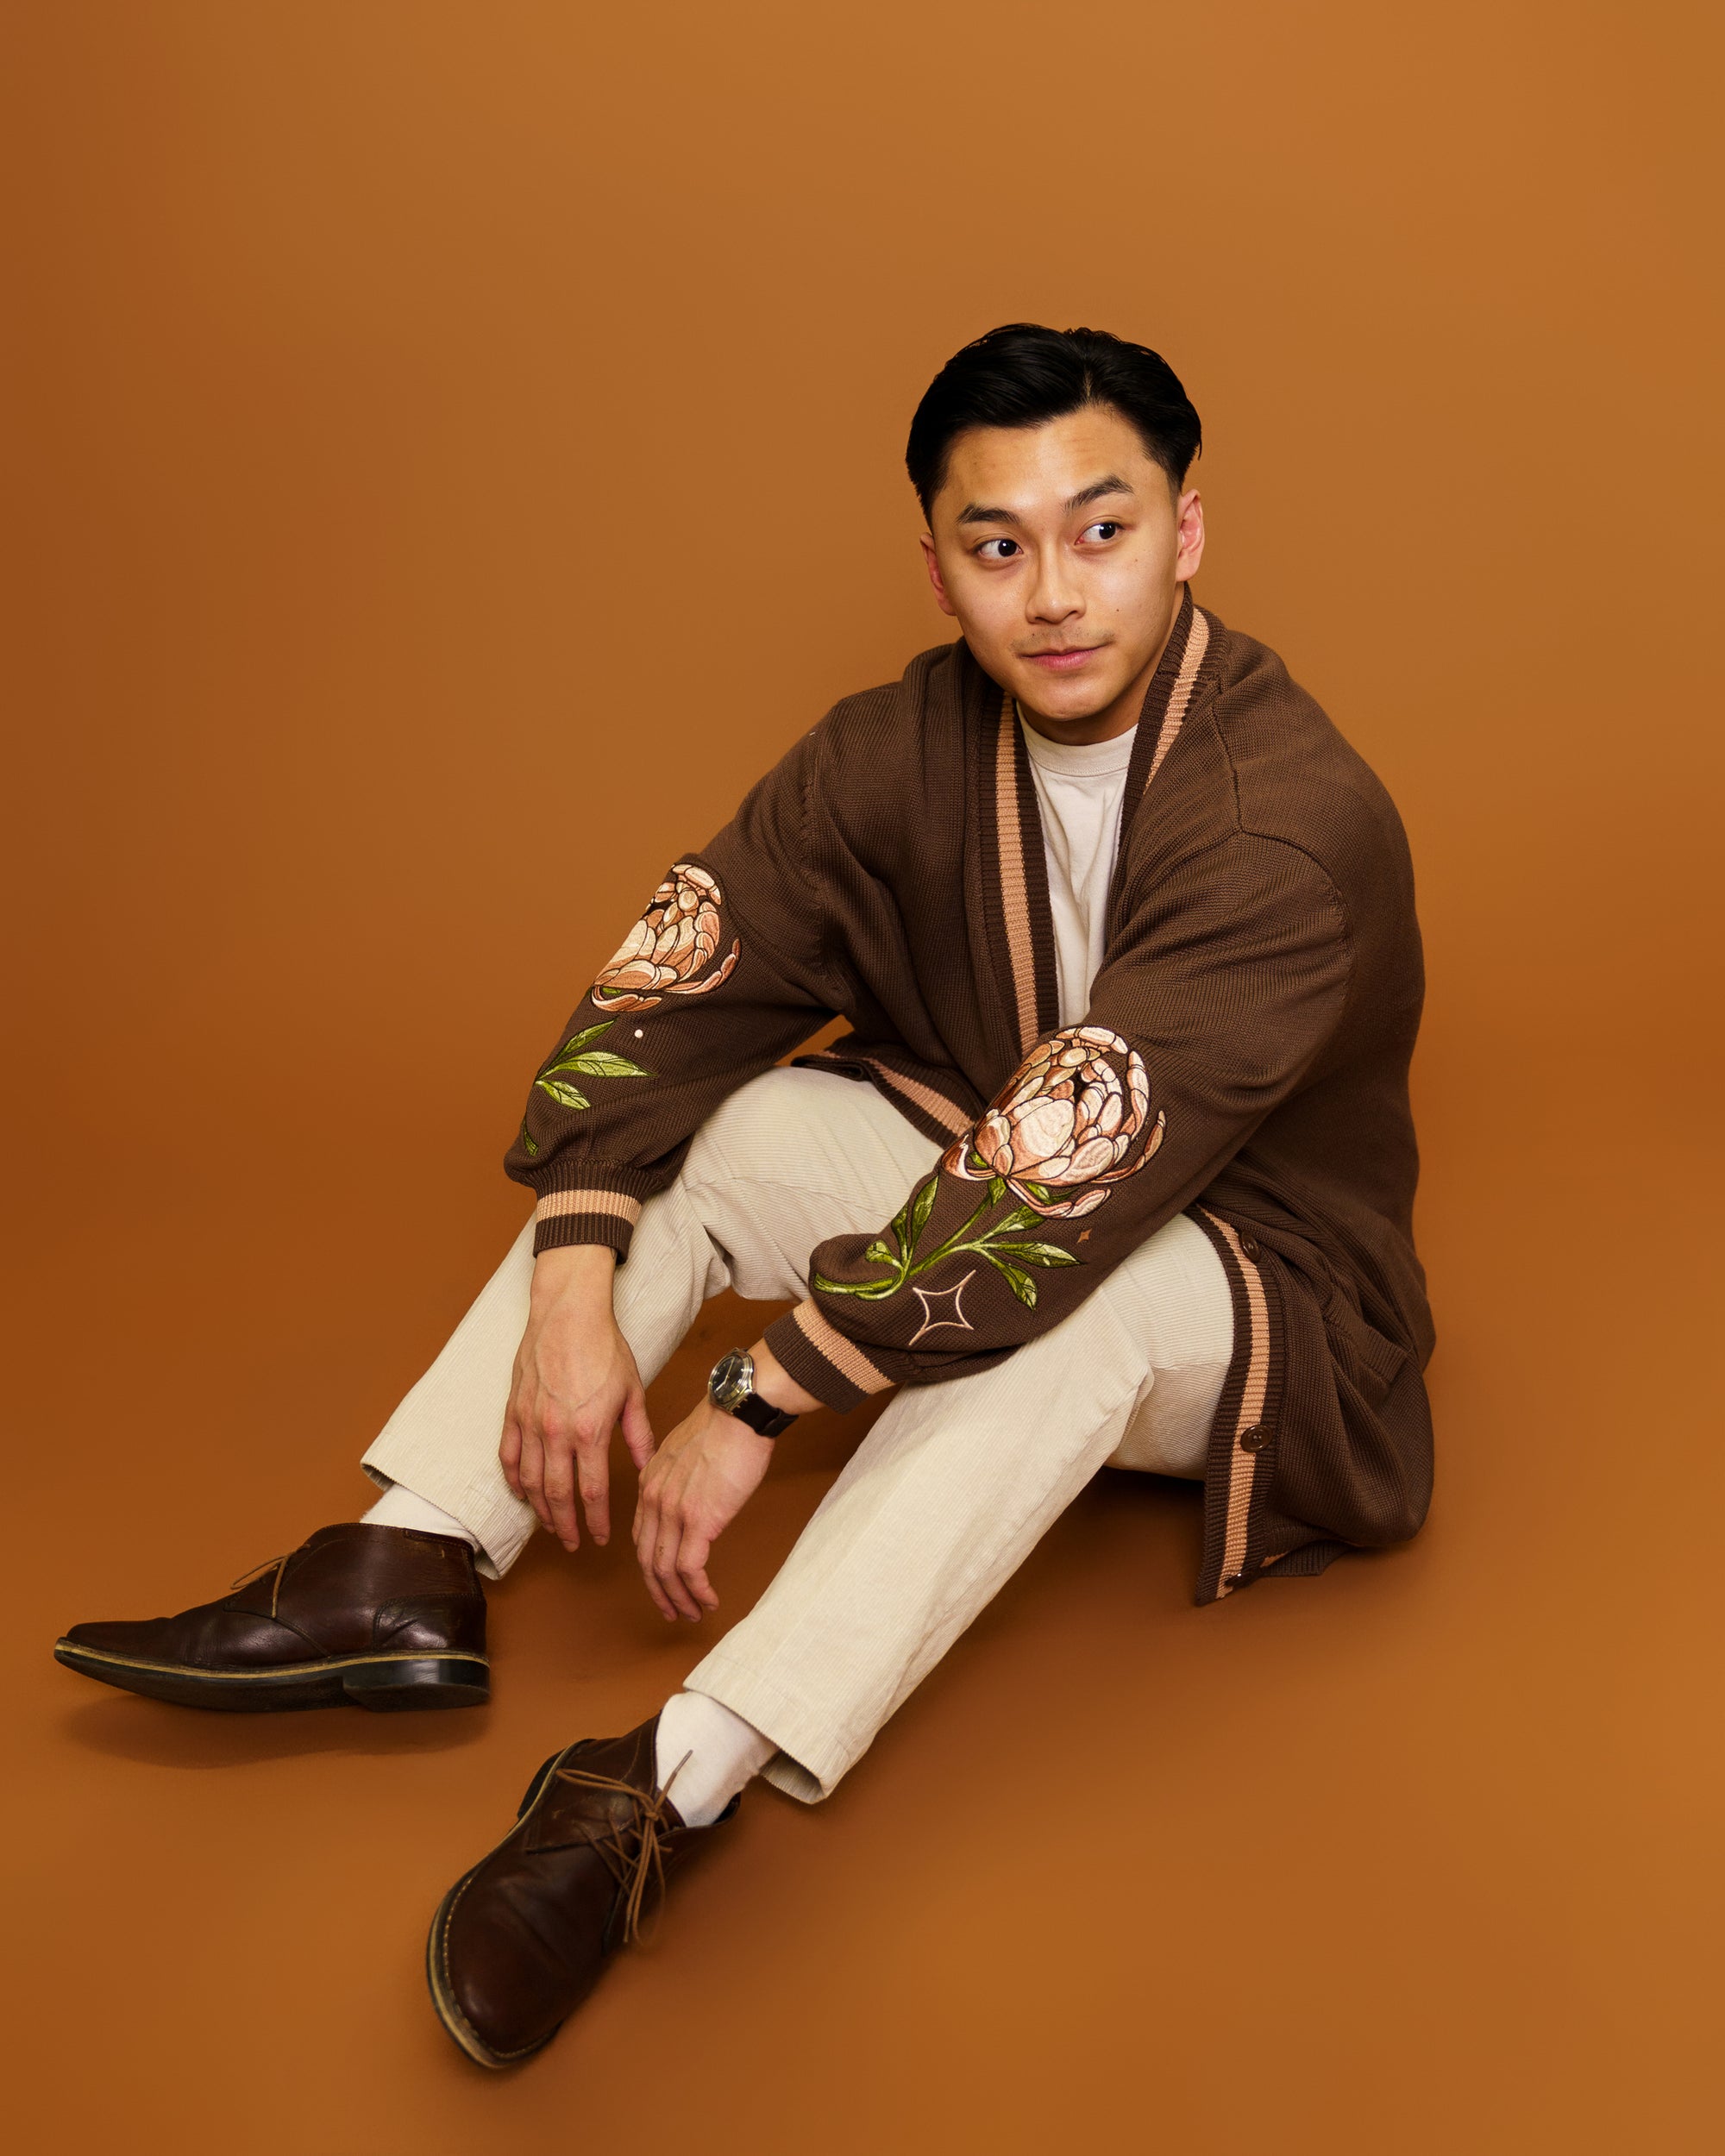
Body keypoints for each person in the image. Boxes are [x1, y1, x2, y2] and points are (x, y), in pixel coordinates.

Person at [54, 323, 1434, 2068]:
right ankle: (403, 1555)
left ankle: (663, 1781)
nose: (1055, 591)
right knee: (735, 1120)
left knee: (1040, 1324)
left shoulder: (1285, 820)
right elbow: (678, 974)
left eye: (1102, 528)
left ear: (1188, 532)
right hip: (997, 1167)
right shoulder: (896, 746)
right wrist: (573, 1282)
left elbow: (1065, 1177)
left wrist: (756, 1394)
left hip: (1253, 1280)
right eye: (997, 543)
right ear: (937, 564)